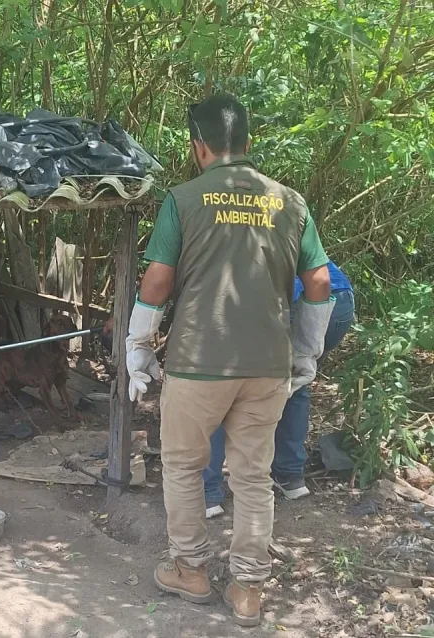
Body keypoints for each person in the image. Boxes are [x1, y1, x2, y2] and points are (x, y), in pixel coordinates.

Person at [125, 93, 334, 627]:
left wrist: (138, 348)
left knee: (183, 466)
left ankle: (191, 571)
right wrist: (307, 352)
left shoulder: (184, 199)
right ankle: (247, 589)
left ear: (198, 146)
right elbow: (318, 281)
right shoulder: (288, 201)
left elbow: (158, 281)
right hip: (268, 365)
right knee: (253, 477)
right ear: (248, 143)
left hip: (200, 362)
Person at [204, 261, 354, 518]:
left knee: (221, 385)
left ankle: (207, 493)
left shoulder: (224, 226)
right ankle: (291, 477)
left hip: (294, 300)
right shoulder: (290, 221)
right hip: (338, 301)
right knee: (294, 382)